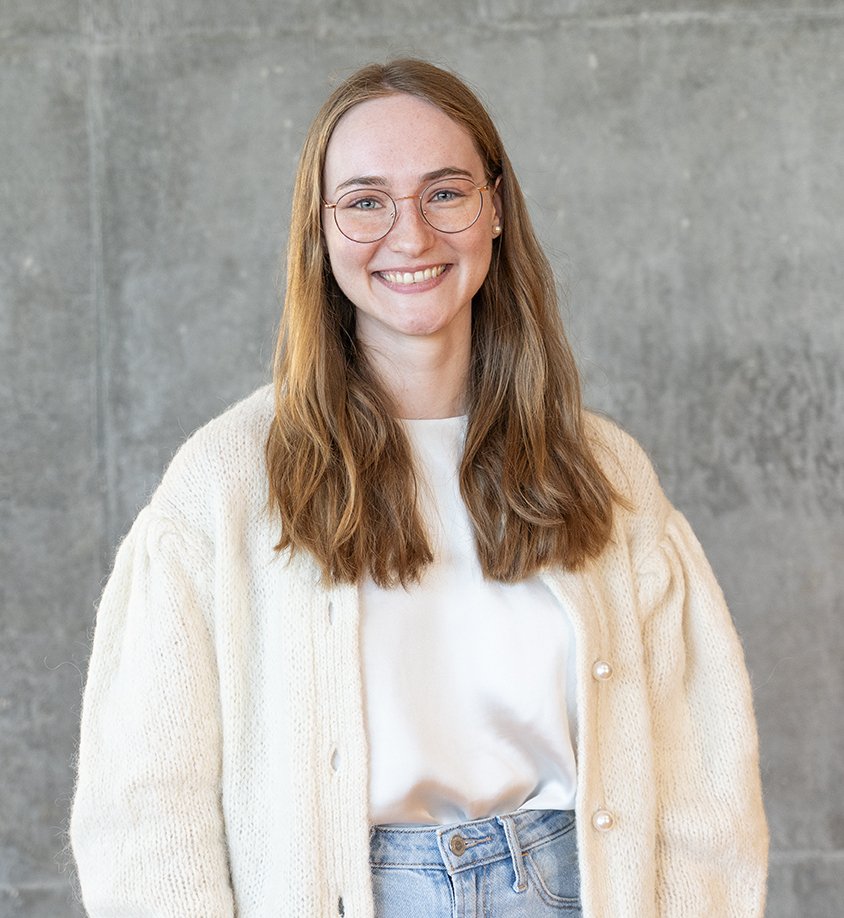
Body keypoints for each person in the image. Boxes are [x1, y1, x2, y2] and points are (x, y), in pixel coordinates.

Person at [70, 59, 768, 917]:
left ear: (497, 208)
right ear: (319, 232)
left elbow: (703, 779)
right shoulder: (222, 487)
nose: (411, 236)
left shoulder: (605, 471)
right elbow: (144, 812)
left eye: (446, 192)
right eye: (365, 201)